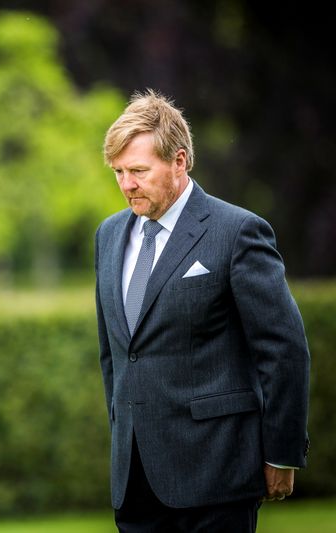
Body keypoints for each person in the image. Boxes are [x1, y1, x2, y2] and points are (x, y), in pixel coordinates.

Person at [94, 89, 310, 532]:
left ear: (179, 161)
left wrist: (281, 452)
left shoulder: (238, 232)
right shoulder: (109, 235)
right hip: (134, 482)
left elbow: (283, 350)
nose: (126, 185)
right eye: (118, 172)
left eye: (137, 170)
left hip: (217, 474)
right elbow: (114, 354)